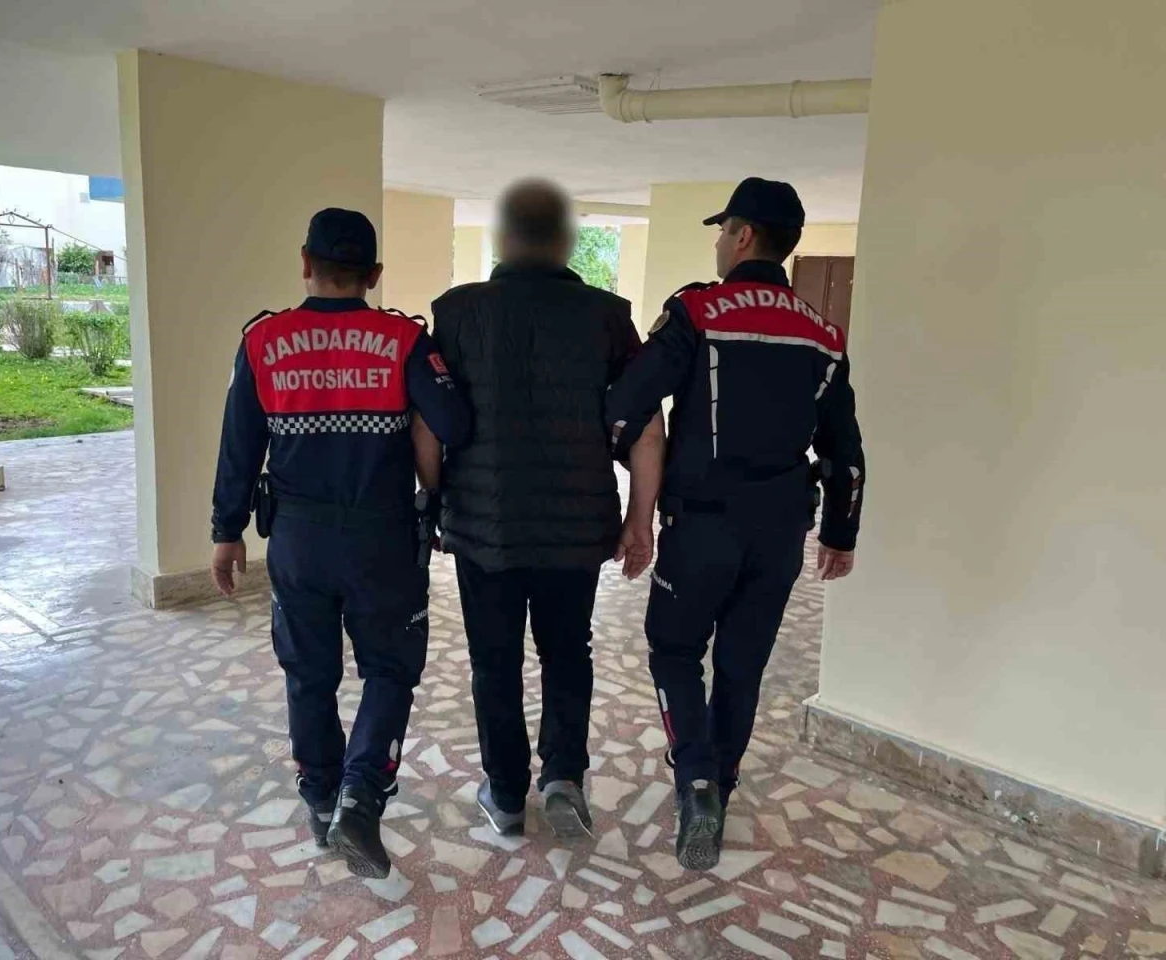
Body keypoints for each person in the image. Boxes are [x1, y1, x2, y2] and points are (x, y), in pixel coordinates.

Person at [605, 178, 865, 871]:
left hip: (701, 527)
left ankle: (695, 782)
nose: (719, 243)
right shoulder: (824, 335)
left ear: (743, 235)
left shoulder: (696, 311)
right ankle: (720, 785)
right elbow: (845, 450)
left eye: (723, 231)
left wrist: (631, 480)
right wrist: (841, 533)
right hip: (779, 533)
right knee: (742, 663)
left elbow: (628, 402)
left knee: (673, 650)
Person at [209, 208, 470, 878]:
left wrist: (226, 531)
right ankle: (362, 792)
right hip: (382, 539)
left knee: (309, 672)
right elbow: (453, 422)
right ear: (373, 275)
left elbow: (239, 443)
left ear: (305, 262)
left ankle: (322, 795)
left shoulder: (263, 341)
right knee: (389, 668)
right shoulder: (404, 339)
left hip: (297, 539)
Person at [432, 180, 663, 840]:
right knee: (568, 652)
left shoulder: (455, 311)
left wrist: (434, 504)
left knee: (493, 660)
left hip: (484, 526)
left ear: (502, 238)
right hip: (576, 528)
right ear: (565, 241)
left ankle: (506, 795)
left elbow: (432, 419)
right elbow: (647, 427)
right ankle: (563, 776)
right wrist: (640, 521)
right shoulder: (608, 316)